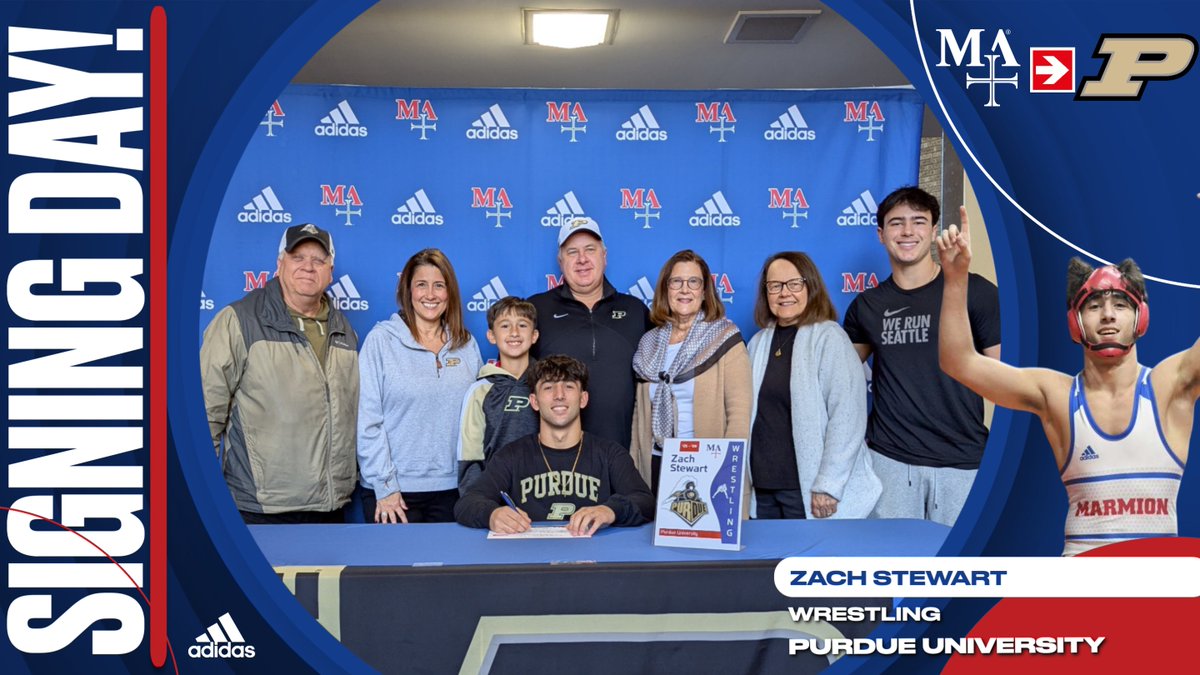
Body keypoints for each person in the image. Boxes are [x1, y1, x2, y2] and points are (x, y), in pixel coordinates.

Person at [938, 211, 1195, 555]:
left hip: (1157, 595)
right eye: (1094, 306)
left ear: (1140, 317)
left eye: (1121, 304)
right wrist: (955, 279)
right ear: (1075, 323)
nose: (1107, 315)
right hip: (1081, 590)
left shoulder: (1169, 386)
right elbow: (959, 362)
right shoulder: (1056, 395)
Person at [842, 186, 1000, 525]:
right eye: (896, 223)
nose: (908, 231)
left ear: (933, 230)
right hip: (890, 462)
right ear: (881, 234)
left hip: (963, 461)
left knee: (960, 571)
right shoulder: (867, 306)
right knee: (891, 570)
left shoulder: (977, 291)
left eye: (919, 221)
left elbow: (1006, 381)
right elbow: (836, 378)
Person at [201, 223, 359, 524]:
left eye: (318, 260)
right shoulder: (238, 321)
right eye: (297, 257)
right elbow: (204, 414)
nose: (308, 267)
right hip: (260, 509)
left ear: (330, 271)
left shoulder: (344, 330)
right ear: (279, 264)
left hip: (330, 507)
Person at [746, 252, 881, 519]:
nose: (784, 293)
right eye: (775, 286)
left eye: (794, 284)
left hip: (807, 488)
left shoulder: (829, 337)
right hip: (763, 488)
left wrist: (829, 485)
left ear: (811, 287)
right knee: (767, 562)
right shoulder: (758, 343)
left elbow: (847, 416)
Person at [454, 355, 655, 535]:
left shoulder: (609, 453)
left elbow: (645, 502)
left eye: (569, 386)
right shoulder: (512, 455)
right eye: (548, 387)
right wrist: (492, 514)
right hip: (531, 561)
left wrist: (609, 510)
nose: (559, 395)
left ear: (583, 398)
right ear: (534, 401)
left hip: (592, 563)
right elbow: (467, 503)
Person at [358, 248, 482, 523]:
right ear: (407, 290)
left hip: (454, 490)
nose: (430, 294)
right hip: (396, 495)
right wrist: (385, 485)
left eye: (439, 285)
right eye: (421, 285)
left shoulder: (466, 345)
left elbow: (477, 420)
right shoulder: (381, 341)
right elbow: (368, 421)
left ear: (450, 293)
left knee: (456, 568)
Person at [630, 250, 751, 494]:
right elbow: (639, 414)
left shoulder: (725, 338)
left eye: (693, 282)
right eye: (676, 282)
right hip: (655, 462)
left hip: (707, 463)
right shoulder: (648, 344)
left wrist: (729, 470)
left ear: (705, 291)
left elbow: (739, 414)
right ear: (666, 289)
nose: (685, 289)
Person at [529, 216, 651, 450]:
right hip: (553, 456)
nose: (582, 259)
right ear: (560, 261)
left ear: (604, 256)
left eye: (590, 250)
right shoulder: (537, 309)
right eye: (572, 252)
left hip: (623, 454)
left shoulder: (635, 310)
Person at [457, 296, 540, 493]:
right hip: (496, 493)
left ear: (534, 335)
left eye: (522, 325)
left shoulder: (547, 384)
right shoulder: (480, 390)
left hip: (542, 491)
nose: (514, 333)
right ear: (491, 336)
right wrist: (477, 501)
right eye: (505, 326)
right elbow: (470, 454)